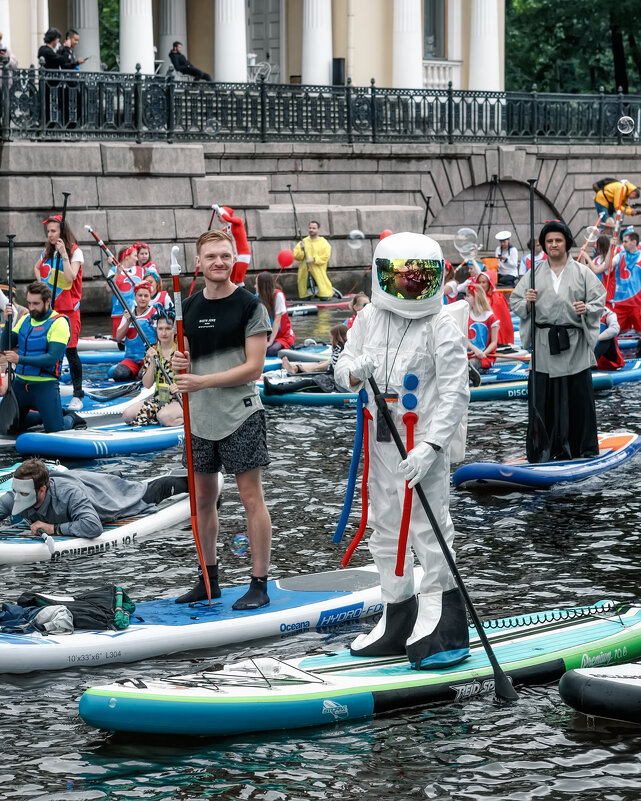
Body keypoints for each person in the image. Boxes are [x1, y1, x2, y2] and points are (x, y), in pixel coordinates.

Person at [334, 232, 470, 670]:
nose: (411, 287)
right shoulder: (369, 318)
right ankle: (399, 613)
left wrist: (432, 447)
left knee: (429, 531)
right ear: (383, 277)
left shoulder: (442, 324)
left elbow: (454, 394)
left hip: (421, 443)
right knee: (386, 526)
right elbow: (341, 366)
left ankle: (441, 620)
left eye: (420, 279)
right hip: (382, 441)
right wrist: (353, 373)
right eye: (403, 278)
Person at [171, 230, 272, 611]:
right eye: (211, 256)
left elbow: (254, 368)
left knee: (250, 497)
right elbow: (185, 360)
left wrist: (200, 380)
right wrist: (179, 363)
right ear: (199, 263)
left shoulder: (250, 306)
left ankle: (258, 583)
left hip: (240, 413)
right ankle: (208, 579)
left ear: (233, 260)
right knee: (202, 500)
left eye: (225, 256)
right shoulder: (189, 306)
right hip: (198, 417)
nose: (219, 262)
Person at [510, 220, 606, 462]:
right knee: (544, 400)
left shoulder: (583, 273)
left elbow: (599, 301)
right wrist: (528, 303)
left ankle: (581, 449)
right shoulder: (533, 275)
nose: (553, 244)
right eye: (549, 241)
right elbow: (515, 302)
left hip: (573, 344)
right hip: (543, 345)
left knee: (577, 399)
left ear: (567, 243)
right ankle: (544, 450)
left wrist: (586, 307)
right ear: (543, 245)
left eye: (558, 240)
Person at [0, 458, 188, 539]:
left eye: (23, 493)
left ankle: (204, 486)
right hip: (83, 481)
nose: (17, 498)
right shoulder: (15, 496)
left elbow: (93, 526)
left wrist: (53, 529)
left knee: (154, 490)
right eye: (16, 492)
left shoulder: (68, 495)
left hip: (109, 498)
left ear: (41, 490)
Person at [1, 282, 83, 433]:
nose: (31, 307)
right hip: (20, 384)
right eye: (29, 303)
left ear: (47, 302)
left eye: (36, 304)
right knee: (5, 428)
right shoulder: (25, 320)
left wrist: (20, 359)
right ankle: (41, 416)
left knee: (55, 430)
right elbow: (4, 346)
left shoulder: (59, 323)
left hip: (45, 385)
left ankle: (70, 417)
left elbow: (51, 358)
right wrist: (8, 322)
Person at [35, 214, 84, 410]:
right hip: (52, 311)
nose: (50, 235)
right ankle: (47, 391)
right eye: (48, 232)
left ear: (62, 232)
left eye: (54, 231)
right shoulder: (46, 252)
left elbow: (71, 277)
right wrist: (41, 285)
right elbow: (36, 268)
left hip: (70, 311)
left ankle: (78, 395)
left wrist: (64, 253)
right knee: (51, 352)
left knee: (71, 352)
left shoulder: (76, 252)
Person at [123, 312, 183, 427]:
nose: (164, 333)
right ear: (156, 330)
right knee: (127, 415)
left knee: (163, 417)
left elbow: (190, 376)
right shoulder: (152, 350)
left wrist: (180, 387)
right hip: (159, 399)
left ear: (174, 330)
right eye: (160, 328)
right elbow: (147, 384)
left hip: (180, 400)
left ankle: (185, 419)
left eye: (168, 328)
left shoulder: (181, 350)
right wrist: (151, 362)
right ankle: (161, 416)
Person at [262, 324, 348, 395]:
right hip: (329, 379)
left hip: (332, 384)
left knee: (306, 383)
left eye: (331, 337)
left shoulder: (342, 349)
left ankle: (275, 389)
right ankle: (280, 385)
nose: (331, 339)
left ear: (337, 337)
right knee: (307, 381)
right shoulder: (341, 348)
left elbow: (335, 367)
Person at [114, 281, 158, 382]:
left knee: (143, 376)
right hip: (131, 359)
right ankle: (134, 372)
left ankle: (141, 372)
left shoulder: (154, 313)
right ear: (135, 296)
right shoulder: (127, 314)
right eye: (140, 295)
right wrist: (127, 322)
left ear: (150, 297)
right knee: (119, 374)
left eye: (146, 296)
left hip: (148, 358)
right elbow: (118, 337)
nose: (143, 298)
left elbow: (161, 336)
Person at [605, 231, 641, 333]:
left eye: (626, 241)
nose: (623, 244)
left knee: (639, 331)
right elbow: (607, 265)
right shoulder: (620, 255)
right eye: (623, 241)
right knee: (616, 331)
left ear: (634, 242)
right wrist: (610, 248)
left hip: (637, 303)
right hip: (621, 303)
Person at [465, 283, 499, 386]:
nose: (465, 298)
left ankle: (473, 376)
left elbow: (494, 342)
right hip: (469, 354)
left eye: (468, 296)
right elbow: (463, 338)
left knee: (474, 363)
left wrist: (483, 353)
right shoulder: (466, 315)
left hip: (485, 356)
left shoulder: (491, 317)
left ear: (476, 297)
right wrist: (475, 350)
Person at [108, 245, 145, 337]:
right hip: (119, 312)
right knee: (119, 339)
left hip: (136, 312)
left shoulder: (141, 270)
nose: (137, 259)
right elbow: (109, 288)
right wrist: (117, 273)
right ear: (127, 257)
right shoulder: (113, 270)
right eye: (135, 256)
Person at [256, 272, 295, 356]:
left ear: (262, 285)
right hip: (266, 336)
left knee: (270, 350)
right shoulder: (258, 297)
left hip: (283, 337)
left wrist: (270, 342)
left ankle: (287, 348)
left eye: (256, 284)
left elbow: (277, 321)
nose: (255, 286)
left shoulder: (278, 296)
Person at [293, 221, 334, 300]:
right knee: (304, 298)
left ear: (318, 230)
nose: (311, 230)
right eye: (310, 228)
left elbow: (325, 257)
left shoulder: (324, 243)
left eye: (314, 228)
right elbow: (296, 256)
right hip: (304, 272)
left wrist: (314, 259)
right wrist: (302, 249)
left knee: (324, 297)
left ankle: (331, 292)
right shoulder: (303, 242)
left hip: (318, 272)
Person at [474, 270, 514, 345]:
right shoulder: (477, 297)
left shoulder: (497, 297)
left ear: (489, 283)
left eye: (483, 282)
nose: (481, 285)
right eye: (479, 282)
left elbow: (502, 320)